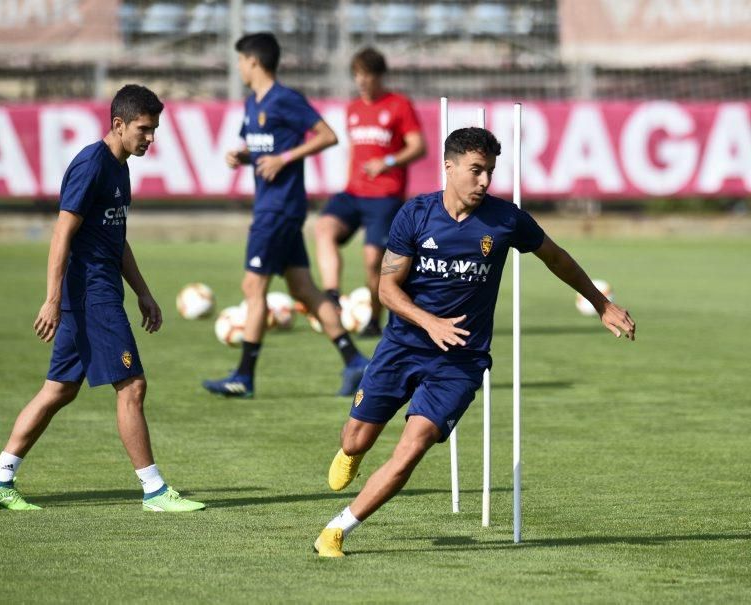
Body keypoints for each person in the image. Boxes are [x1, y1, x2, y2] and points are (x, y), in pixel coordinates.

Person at [313, 127, 636, 556]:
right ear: (449, 167)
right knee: (354, 440)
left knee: (413, 447)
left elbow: (555, 256)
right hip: (403, 346)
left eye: (490, 172)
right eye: (476, 171)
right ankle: (353, 452)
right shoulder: (415, 214)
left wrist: (601, 303)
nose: (485, 182)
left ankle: (339, 528)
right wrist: (430, 322)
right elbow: (387, 290)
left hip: (461, 362)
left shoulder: (507, 220)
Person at [0, 85, 205, 512]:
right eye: (144, 129)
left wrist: (144, 292)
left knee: (58, 390)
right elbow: (62, 233)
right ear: (118, 124)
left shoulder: (120, 167)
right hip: (91, 295)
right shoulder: (91, 164)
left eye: (155, 130)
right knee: (132, 385)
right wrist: (51, 299)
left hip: (100, 290)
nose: (151, 138)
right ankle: (154, 490)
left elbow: (115, 239)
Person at [203, 33, 368, 398]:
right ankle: (356, 362)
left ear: (253, 62)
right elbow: (260, 146)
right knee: (303, 289)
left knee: (253, 287)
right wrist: (243, 156)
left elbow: (328, 136)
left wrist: (286, 158)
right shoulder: (252, 104)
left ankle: (243, 376)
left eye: (240, 61)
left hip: (279, 209)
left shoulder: (286, 100)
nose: (239, 67)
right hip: (274, 208)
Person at [315, 47, 426, 338]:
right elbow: (354, 151)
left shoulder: (399, 105)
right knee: (323, 227)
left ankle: (376, 319)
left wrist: (388, 161)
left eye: (367, 75)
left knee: (373, 259)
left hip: (385, 195)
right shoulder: (353, 108)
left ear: (379, 76)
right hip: (353, 192)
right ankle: (331, 294)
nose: (362, 81)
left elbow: (419, 146)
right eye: (357, 75)